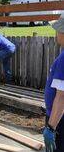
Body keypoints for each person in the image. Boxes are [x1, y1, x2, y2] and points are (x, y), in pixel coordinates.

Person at [43, 14, 64, 152]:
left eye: (58, 30)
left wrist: (51, 127)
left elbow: (61, 96)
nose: (56, 33)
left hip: (60, 121)